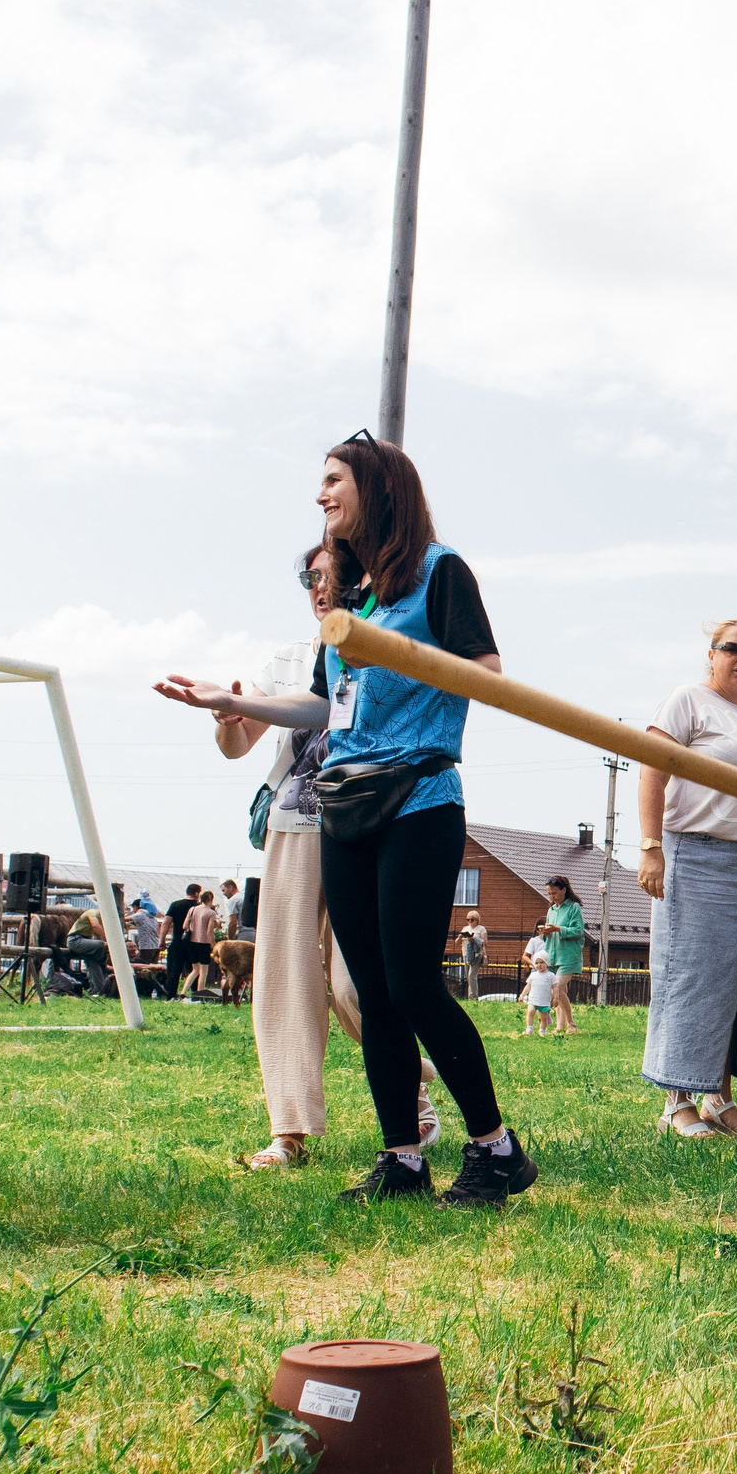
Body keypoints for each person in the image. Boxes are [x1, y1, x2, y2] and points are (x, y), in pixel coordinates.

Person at [157, 433, 528, 1209]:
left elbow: (486, 674)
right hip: (344, 804)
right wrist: (233, 703)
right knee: (377, 994)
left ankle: (495, 1147)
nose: (322, 493)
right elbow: (325, 702)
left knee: (413, 982)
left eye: (333, 479)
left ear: (377, 486)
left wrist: (388, 647)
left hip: (420, 797)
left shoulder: (439, 570)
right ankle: (403, 1158)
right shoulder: (352, 592)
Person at [637, 618, 737, 1139]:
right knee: (692, 978)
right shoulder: (689, 701)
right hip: (697, 856)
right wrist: (650, 846)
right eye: (732, 649)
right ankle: (676, 1102)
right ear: (711, 653)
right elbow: (652, 769)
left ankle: (718, 1099)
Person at [535, 876, 585, 1035]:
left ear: (564, 890)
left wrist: (558, 929)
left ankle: (572, 1024)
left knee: (557, 987)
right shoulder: (551, 910)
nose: (552, 897)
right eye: (549, 894)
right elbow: (551, 932)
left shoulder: (574, 907)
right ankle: (559, 1026)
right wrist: (546, 932)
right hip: (553, 953)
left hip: (569, 955)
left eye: (554, 893)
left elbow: (578, 931)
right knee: (560, 990)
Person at [180, 890, 218, 997]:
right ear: (210, 899)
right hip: (204, 943)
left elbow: (185, 926)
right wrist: (214, 945)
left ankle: (183, 992)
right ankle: (200, 993)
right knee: (204, 971)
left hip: (192, 942)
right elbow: (209, 931)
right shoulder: (211, 913)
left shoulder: (192, 909)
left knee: (195, 969)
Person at [524, 955, 558, 1037]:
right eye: (537, 963)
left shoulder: (551, 975)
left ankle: (542, 1030)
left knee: (544, 1017)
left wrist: (556, 997)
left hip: (544, 1001)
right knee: (530, 1012)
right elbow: (528, 986)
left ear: (547, 963)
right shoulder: (533, 975)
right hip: (533, 1000)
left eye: (542, 962)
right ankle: (529, 1028)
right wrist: (522, 995)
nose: (539, 965)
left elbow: (555, 987)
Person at [459, 908, 488, 999]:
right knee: (468, 976)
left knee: (472, 975)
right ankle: (471, 996)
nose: (470, 922)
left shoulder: (481, 929)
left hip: (477, 954)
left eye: (472, 919)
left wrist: (473, 939)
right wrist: (461, 936)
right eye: (468, 920)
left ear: (477, 919)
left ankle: (473, 998)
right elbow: (457, 942)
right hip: (466, 954)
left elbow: (485, 942)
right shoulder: (465, 928)